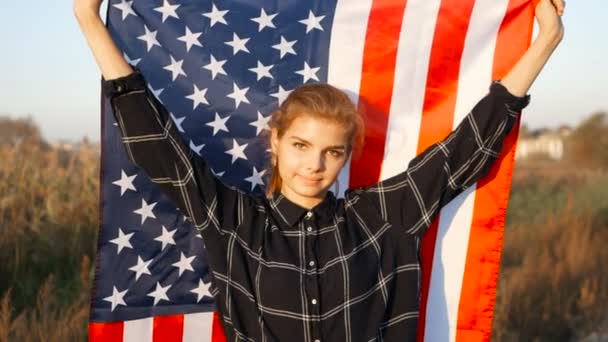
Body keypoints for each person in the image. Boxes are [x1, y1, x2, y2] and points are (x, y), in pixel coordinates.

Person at [75, 0, 564, 340]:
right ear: (276, 142)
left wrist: (544, 43)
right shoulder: (234, 221)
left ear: (347, 154)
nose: (314, 164)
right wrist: (88, 20)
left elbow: (466, 148)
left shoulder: (381, 218)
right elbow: (157, 142)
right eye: (302, 145)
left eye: (332, 151)